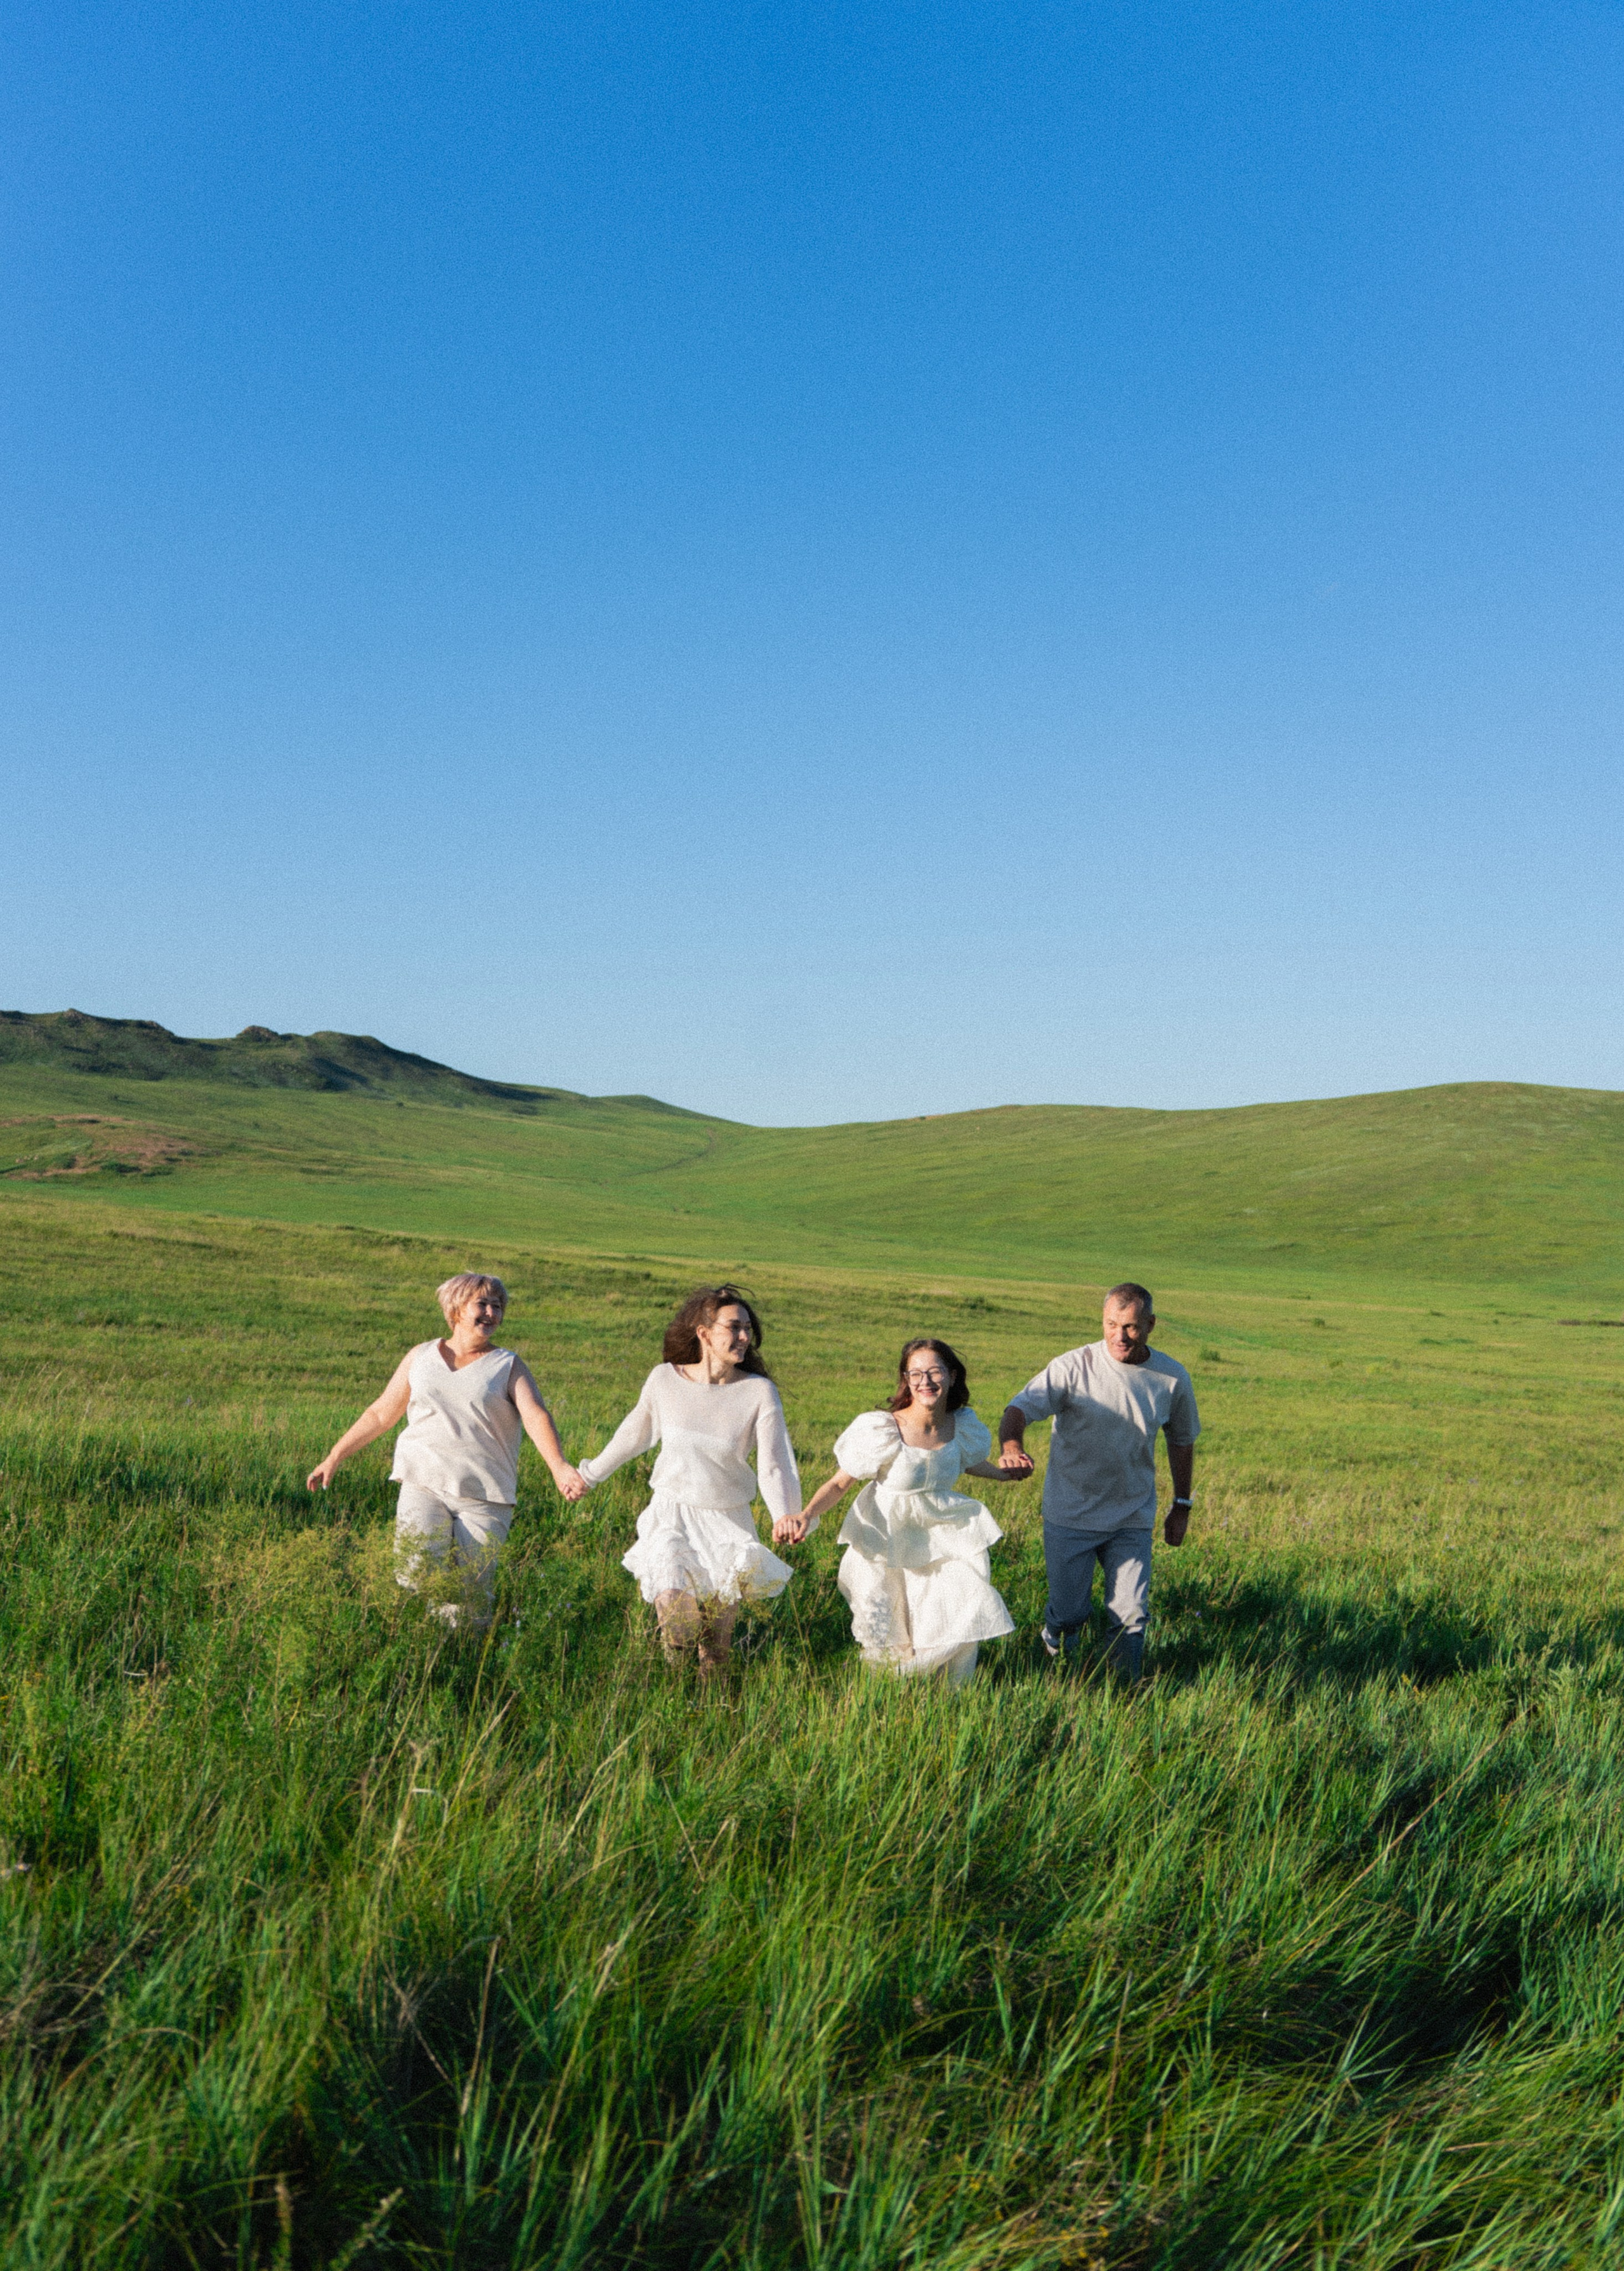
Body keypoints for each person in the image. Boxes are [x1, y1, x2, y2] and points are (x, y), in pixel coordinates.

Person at [306, 1272, 586, 1627]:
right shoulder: (421, 1356)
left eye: (497, 1307)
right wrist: (335, 1456)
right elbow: (380, 1413)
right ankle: (425, 1640)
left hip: (485, 1494)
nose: (490, 1313)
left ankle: (462, 1662)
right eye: (482, 1304)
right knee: (416, 1571)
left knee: (471, 1596)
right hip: (424, 1482)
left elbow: (535, 1415)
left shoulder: (507, 1365)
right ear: (456, 1308)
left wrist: (559, 1466)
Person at [577, 1285, 801, 1676]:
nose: (745, 1337)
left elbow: (775, 1465)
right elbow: (633, 1435)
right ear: (704, 1333)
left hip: (727, 1522)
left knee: (716, 1649)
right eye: (735, 1327)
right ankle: (670, 1695)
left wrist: (785, 1514)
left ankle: (707, 1718)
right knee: (679, 1628)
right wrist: (588, 1476)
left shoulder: (759, 1393)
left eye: (748, 1328)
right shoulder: (665, 1380)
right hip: (672, 1516)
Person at [786, 1338, 1019, 1689]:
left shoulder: (963, 1426)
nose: (926, 1381)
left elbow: (967, 1462)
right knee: (888, 1628)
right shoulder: (882, 1429)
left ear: (953, 1377)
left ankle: (948, 1698)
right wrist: (806, 1515)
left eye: (935, 1371)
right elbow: (839, 1483)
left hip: (943, 1537)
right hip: (885, 1540)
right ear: (906, 1380)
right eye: (916, 1373)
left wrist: (1005, 1473)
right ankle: (888, 1696)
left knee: (956, 1610)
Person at [995, 1282, 1200, 1681]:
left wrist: (1182, 1505)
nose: (1120, 1336)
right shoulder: (1073, 1367)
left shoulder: (1172, 1378)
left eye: (1131, 1327)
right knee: (1071, 1612)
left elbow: (1182, 1441)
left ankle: (1123, 1692)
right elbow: (1018, 1408)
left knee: (1131, 1613)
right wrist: (1011, 1444)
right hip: (1070, 1512)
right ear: (1102, 1321)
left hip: (1132, 1515)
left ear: (1151, 1325)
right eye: (1111, 1324)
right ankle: (1057, 1653)